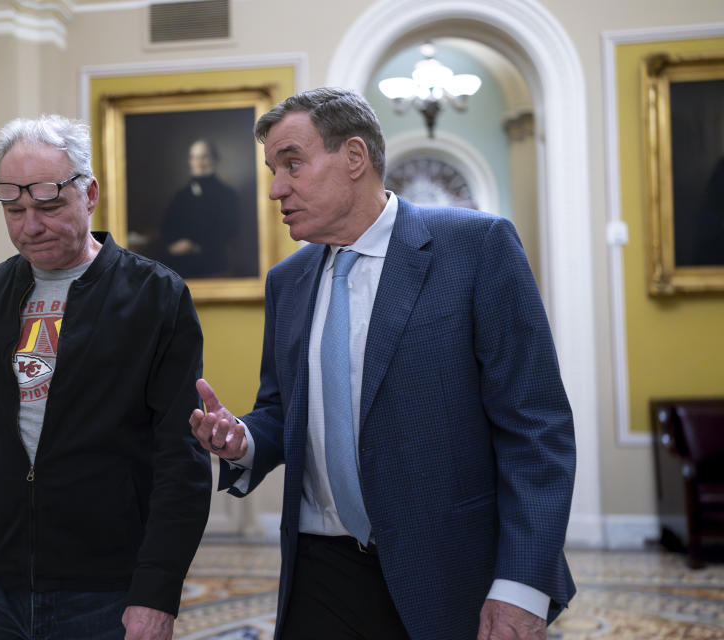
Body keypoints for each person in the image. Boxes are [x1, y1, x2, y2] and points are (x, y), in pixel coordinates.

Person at [189, 88, 576, 639]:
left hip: (449, 571)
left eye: (292, 164)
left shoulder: (476, 247)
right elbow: (283, 409)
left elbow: (536, 429)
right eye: (273, 169)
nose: (276, 188)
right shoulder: (288, 282)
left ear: (354, 157)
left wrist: (521, 586)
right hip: (318, 571)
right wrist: (243, 439)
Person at [0, 114, 211, 640]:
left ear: (89, 194)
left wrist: (157, 592)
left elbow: (181, 458)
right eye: (14, 210)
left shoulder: (155, 296)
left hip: (106, 587)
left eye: (48, 206)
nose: (30, 225)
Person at [158, 138, 241, 278]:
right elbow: (166, 227)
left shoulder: (228, 194)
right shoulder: (181, 195)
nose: (198, 163)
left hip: (212, 262)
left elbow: (230, 230)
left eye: (204, 157)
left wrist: (195, 246)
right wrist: (173, 245)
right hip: (178, 262)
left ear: (215, 160)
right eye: (194, 158)